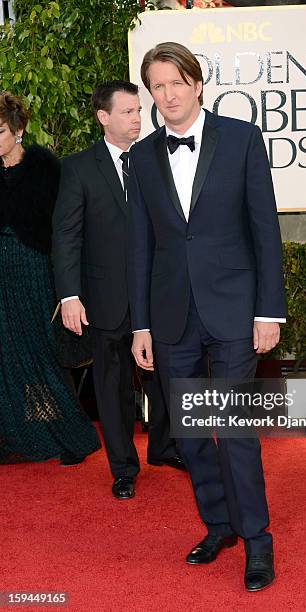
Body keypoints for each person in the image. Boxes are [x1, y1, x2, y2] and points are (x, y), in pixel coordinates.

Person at [128, 43, 286, 591]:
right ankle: (219, 525)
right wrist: (141, 325)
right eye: (157, 86)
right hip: (172, 318)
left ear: (197, 83)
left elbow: (265, 230)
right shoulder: (143, 157)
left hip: (237, 312)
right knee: (192, 437)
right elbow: (140, 247)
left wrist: (269, 311)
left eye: (176, 82)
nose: (168, 95)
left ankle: (258, 542)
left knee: (237, 432)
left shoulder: (241, 139)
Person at [52, 80, 184, 501]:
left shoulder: (155, 158)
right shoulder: (78, 168)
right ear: (103, 117)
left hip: (159, 292)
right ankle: (124, 467)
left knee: (165, 376)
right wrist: (69, 295)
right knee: (112, 387)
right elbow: (66, 235)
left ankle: (165, 447)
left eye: (138, 111)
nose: (136, 119)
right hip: (105, 297)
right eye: (127, 112)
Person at [0, 91, 100, 465]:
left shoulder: (46, 167)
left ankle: (62, 434)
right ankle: (13, 437)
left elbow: (67, 230)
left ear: (18, 129)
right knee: (5, 355)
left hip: (35, 269)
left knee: (40, 352)